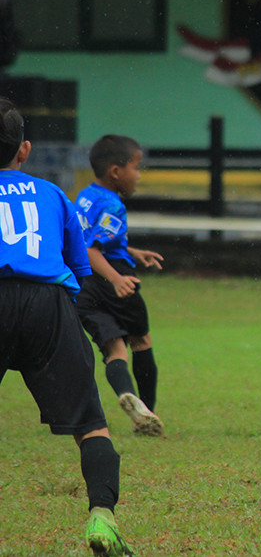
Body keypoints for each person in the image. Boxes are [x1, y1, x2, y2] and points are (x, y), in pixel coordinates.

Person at [0, 99, 134, 556]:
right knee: (92, 427)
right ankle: (101, 516)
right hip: (50, 303)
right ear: (25, 150)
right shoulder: (52, 194)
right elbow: (78, 267)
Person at [75, 134, 165, 437]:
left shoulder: (85, 196)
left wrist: (131, 251)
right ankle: (148, 413)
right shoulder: (114, 206)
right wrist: (116, 277)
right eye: (136, 168)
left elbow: (86, 242)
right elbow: (93, 249)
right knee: (141, 340)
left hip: (83, 285)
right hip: (112, 280)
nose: (138, 176)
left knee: (115, 349)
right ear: (116, 172)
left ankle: (126, 393)